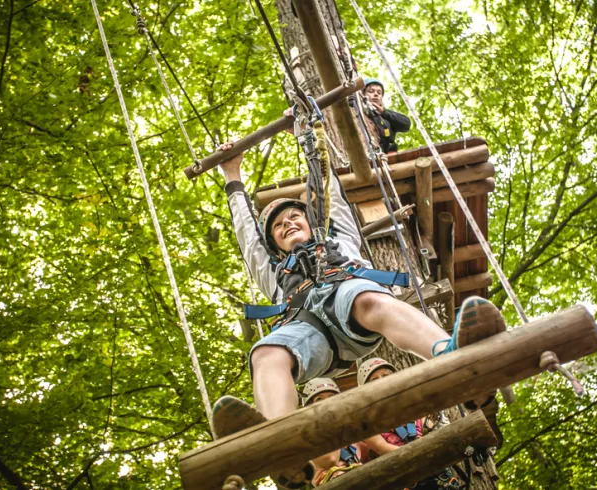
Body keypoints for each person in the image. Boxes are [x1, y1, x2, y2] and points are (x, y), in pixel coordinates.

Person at [216, 140, 505, 488]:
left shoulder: (341, 241)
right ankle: (283, 446)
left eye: (295, 216)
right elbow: (248, 238)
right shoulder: (273, 273)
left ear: (311, 222)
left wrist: (311, 134)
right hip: (307, 328)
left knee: (368, 299)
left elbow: (329, 191)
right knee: (266, 352)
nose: (288, 223)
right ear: (274, 244)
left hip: (350, 303)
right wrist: (232, 174)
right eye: (278, 225)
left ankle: (454, 358)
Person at [357, 358, 467, 489]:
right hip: (407, 477)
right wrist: (419, 455)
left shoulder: (414, 406)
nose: (382, 381)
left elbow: (435, 429)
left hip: (436, 473)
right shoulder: (367, 422)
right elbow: (381, 447)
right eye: (374, 380)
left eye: (385, 376)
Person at [361, 78, 411, 153]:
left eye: (379, 93)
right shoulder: (357, 112)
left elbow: (406, 124)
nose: (375, 94)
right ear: (363, 95)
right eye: (371, 91)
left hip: (385, 157)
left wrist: (384, 112)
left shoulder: (386, 118)